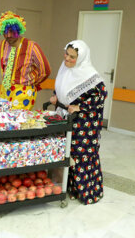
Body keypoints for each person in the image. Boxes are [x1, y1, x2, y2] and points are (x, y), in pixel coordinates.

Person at [49, 40, 107, 205]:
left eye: (72, 57)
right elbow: (62, 87)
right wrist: (56, 96)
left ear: (81, 58)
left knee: (80, 156)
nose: (67, 58)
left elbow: (101, 95)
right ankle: (70, 188)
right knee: (69, 154)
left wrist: (80, 106)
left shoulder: (90, 75)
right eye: (66, 54)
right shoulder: (65, 68)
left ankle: (87, 192)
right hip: (68, 120)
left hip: (84, 125)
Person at [0, 11, 51, 110]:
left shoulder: (32, 46)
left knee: (17, 122)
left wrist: (30, 81)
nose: (8, 35)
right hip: (5, 90)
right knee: (4, 119)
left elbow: (45, 71)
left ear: (18, 30)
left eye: (12, 32)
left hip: (24, 91)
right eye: (5, 32)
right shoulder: (2, 45)